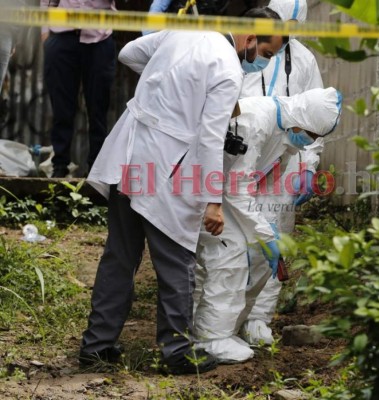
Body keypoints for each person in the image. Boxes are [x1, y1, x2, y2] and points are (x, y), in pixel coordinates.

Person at [79, 7, 285, 375]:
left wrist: (169, 89)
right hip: (163, 169)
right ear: (250, 38)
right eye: (266, 54)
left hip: (129, 156)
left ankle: (96, 346)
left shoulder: (185, 31)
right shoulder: (227, 69)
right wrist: (212, 202)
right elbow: (208, 139)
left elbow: (129, 53)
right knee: (176, 262)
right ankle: (177, 352)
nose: (261, 63)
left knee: (119, 258)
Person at [194, 87, 342, 363]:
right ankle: (210, 338)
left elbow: (257, 183)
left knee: (238, 257)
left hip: (220, 192)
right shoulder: (255, 122)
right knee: (230, 256)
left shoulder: (283, 131)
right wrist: (264, 232)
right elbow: (237, 187)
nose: (309, 142)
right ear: (302, 122)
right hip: (207, 193)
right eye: (311, 135)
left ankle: (220, 330)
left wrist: (267, 228)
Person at [239, 0, 325, 346]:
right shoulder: (243, 48)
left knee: (275, 237)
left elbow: (315, 114)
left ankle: (259, 318)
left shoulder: (304, 60)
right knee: (235, 237)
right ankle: (224, 314)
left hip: (284, 160)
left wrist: (308, 164)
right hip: (244, 155)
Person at [40, 0, 117, 178]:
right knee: (61, 108)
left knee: (98, 109)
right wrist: (45, 33)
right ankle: (59, 165)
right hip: (61, 37)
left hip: (99, 38)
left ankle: (96, 169)